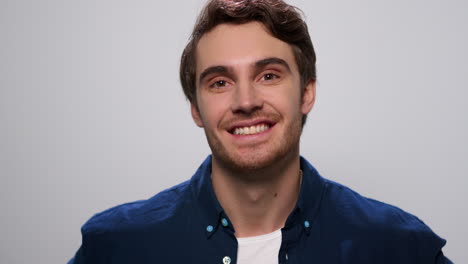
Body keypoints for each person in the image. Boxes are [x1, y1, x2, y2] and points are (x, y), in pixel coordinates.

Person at [69, 0, 452, 263]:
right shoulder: (115, 247)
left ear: (306, 92)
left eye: (268, 75)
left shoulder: (400, 247)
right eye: (219, 82)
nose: (246, 100)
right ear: (195, 108)